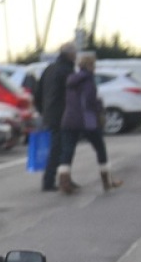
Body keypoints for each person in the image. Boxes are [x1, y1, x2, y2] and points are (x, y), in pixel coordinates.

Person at [56, 52, 122, 194]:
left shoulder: (72, 79)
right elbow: (89, 101)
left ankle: (64, 182)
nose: (95, 67)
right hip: (87, 120)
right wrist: (99, 108)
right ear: (90, 65)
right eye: (94, 65)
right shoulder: (88, 80)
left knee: (67, 150)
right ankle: (107, 181)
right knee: (100, 148)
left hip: (69, 119)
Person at [34, 41, 77, 192]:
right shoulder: (67, 71)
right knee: (61, 149)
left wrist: (43, 111)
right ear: (70, 54)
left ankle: (59, 179)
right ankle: (52, 181)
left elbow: (38, 93)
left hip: (50, 114)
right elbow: (73, 95)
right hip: (63, 114)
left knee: (56, 147)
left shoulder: (49, 69)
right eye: (75, 53)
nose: (76, 56)